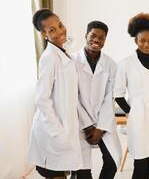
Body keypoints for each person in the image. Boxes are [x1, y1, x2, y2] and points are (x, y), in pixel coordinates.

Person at [113, 13, 149, 179]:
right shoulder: (126, 64)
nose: (146, 44)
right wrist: (131, 112)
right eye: (142, 40)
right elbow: (118, 94)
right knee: (140, 161)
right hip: (138, 117)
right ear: (135, 41)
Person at [28, 9, 83, 179]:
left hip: (63, 129)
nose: (60, 31)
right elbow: (42, 99)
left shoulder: (62, 54)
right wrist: (57, 133)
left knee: (63, 173)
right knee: (56, 174)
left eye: (60, 25)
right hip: (51, 133)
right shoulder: (49, 57)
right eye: (52, 30)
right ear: (44, 35)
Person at [71, 21, 122, 179]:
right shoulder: (71, 61)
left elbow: (109, 98)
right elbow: (72, 97)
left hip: (103, 121)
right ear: (85, 35)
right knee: (82, 170)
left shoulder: (111, 65)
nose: (97, 40)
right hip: (79, 122)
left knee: (113, 160)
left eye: (102, 37)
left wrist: (100, 127)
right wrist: (87, 125)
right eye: (93, 35)